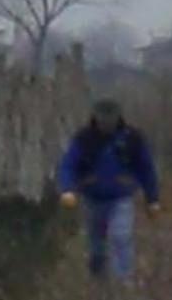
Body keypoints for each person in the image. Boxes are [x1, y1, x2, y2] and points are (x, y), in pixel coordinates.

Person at [56, 99, 161, 280]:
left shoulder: (132, 138)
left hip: (121, 198)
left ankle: (124, 282)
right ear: (95, 118)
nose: (106, 123)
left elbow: (146, 168)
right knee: (96, 245)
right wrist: (67, 189)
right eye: (102, 119)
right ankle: (98, 281)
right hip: (92, 199)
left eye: (110, 119)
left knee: (121, 237)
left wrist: (152, 199)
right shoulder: (84, 139)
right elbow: (68, 165)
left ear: (118, 117)